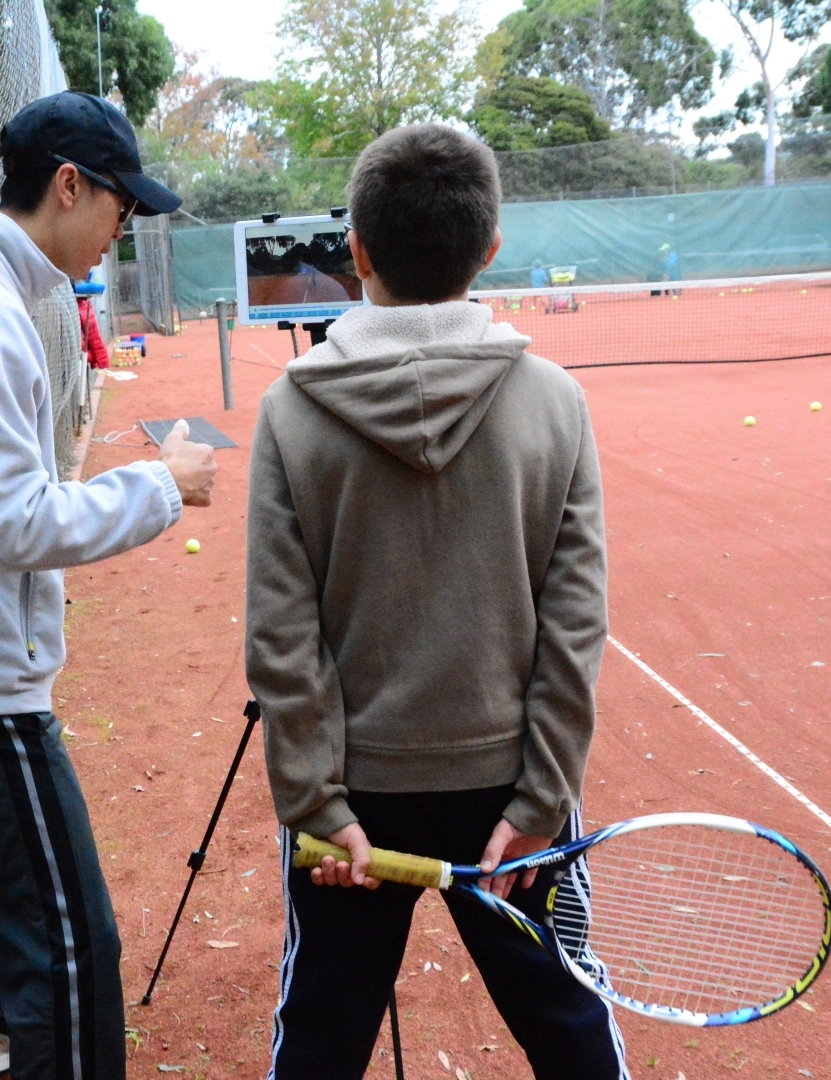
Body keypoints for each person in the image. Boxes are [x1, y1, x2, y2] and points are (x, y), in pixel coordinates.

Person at [244, 124, 622, 1078]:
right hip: (512, 795)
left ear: (356, 252)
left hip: (350, 806)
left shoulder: (291, 411)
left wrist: (315, 803)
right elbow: (576, 626)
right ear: (490, 248)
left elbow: (281, 636)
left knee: (321, 1038)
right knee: (571, 1027)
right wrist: (542, 799)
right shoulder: (555, 402)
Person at [0, 90, 218, 1080]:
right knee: (74, 952)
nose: (124, 227)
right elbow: (14, 521)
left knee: (34, 932)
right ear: (70, 185)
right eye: (122, 206)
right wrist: (160, 485)